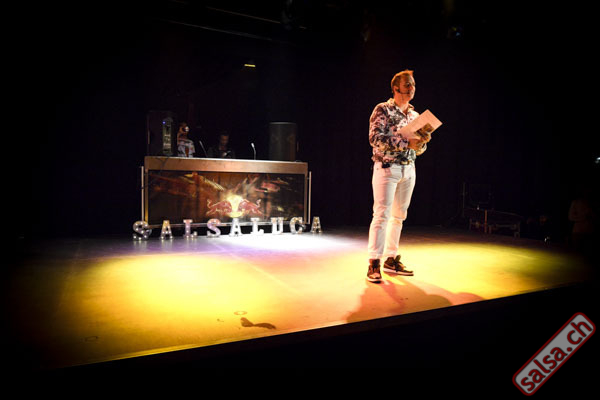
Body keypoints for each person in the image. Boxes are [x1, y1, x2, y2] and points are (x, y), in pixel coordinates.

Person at [366, 69, 431, 283]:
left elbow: (418, 149)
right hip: (387, 168)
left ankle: (390, 259)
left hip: (408, 168)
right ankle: (374, 262)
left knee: (399, 216)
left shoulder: (414, 115)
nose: (412, 88)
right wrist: (406, 143)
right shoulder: (383, 109)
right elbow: (375, 138)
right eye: (407, 85)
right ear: (396, 88)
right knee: (381, 214)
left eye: (413, 84)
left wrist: (422, 143)